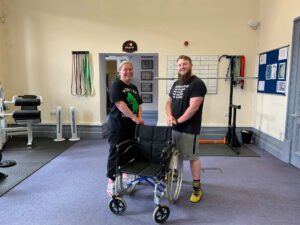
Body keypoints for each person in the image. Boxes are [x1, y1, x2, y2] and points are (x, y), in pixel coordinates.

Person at [165, 55, 207, 203]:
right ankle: (175, 175)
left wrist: (178, 121)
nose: (181, 67)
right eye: (179, 65)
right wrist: (170, 117)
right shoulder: (176, 83)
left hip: (189, 128)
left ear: (191, 65)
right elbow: (168, 103)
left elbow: (193, 107)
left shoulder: (197, 84)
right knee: (175, 153)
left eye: (184, 64)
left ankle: (197, 188)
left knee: (192, 157)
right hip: (175, 127)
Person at [106, 61, 144, 196]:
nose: (128, 72)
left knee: (128, 150)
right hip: (117, 126)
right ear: (119, 72)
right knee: (115, 151)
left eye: (130, 69)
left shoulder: (133, 87)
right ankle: (111, 180)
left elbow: (139, 104)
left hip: (131, 126)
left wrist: (139, 118)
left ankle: (125, 173)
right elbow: (120, 103)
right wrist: (134, 117)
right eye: (125, 70)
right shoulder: (116, 85)